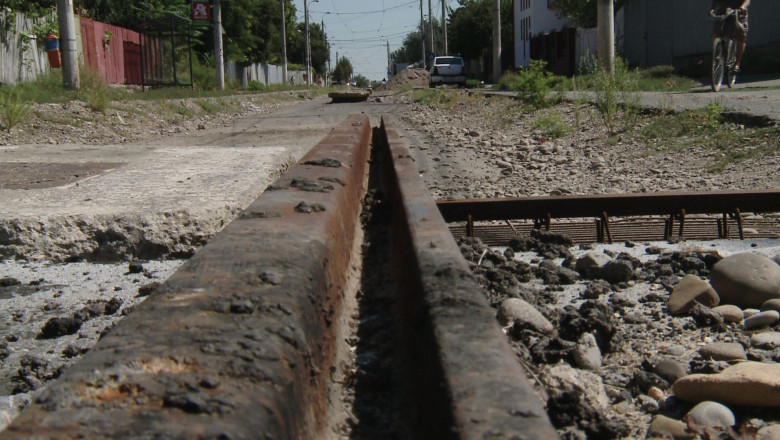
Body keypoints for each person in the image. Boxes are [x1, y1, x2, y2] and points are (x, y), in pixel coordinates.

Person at [708, 0, 750, 73]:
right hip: (723, 10)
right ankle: (718, 52)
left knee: (741, 34)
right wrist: (712, 8)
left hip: (739, 10)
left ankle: (737, 63)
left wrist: (743, 6)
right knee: (715, 31)